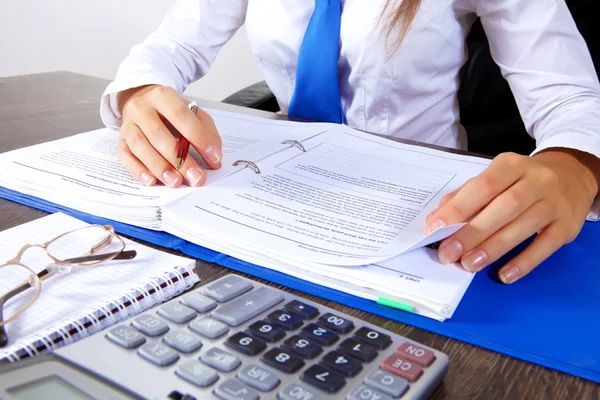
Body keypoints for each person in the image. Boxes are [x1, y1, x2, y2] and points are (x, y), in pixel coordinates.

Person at [100, 0, 600, 285]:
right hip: (284, 194)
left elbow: (567, 94)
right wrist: (140, 93)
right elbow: (172, 46)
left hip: (423, 212)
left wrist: (574, 163)